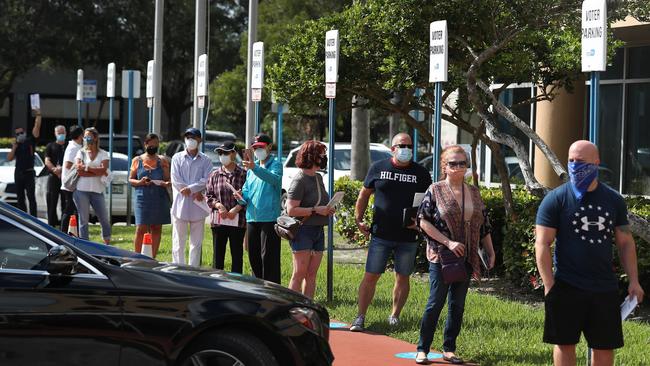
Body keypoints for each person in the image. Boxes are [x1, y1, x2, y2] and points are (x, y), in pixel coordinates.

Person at [535, 140, 644, 366]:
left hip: (604, 288)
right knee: (565, 344)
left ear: (596, 163)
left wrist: (634, 281)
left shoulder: (613, 200)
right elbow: (542, 244)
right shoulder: (555, 199)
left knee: (604, 347)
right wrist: (549, 286)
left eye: (581, 161)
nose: (575, 166)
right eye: (571, 161)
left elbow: (625, 243)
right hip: (566, 286)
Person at [414, 145, 495, 365]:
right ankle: (423, 348)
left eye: (462, 163)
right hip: (442, 256)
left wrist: (490, 250)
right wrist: (448, 242)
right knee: (435, 302)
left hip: (468, 256)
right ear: (445, 167)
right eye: (453, 163)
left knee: (457, 305)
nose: (458, 167)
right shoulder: (435, 189)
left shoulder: (474, 192)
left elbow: (484, 225)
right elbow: (423, 221)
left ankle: (449, 348)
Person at [349, 133, 432, 332]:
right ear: (393, 148)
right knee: (371, 275)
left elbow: (429, 202)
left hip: (408, 237)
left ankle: (394, 316)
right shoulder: (378, 168)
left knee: (402, 276)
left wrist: (421, 222)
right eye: (402, 145)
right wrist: (358, 219)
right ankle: (360, 317)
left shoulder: (421, 173)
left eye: (410, 145)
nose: (406, 149)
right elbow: (364, 194)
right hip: (381, 235)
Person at [285, 140, 335, 299]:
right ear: (312, 156)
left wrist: (328, 208)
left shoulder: (318, 177)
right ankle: (291, 307)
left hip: (318, 231)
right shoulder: (299, 180)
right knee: (299, 273)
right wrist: (315, 210)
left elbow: (321, 201)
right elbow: (291, 209)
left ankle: (308, 307)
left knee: (312, 275)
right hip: (303, 231)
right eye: (322, 155)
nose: (324, 158)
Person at [234, 133, 283, 284]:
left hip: (269, 219)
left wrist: (255, 168)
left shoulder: (276, 165)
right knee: (254, 257)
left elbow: (274, 179)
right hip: (252, 218)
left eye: (260, 147)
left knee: (269, 258)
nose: (257, 150)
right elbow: (247, 190)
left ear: (269, 147)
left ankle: (273, 291)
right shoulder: (251, 169)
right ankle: (259, 289)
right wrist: (241, 198)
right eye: (255, 148)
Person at [170, 128, 212, 267]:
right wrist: (186, 189)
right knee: (178, 242)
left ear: (200, 140)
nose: (190, 140)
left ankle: (193, 270)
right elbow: (175, 179)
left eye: (193, 137)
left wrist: (192, 189)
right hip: (180, 205)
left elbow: (207, 179)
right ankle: (178, 268)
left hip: (197, 205)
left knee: (196, 243)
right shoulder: (177, 158)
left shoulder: (206, 160)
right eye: (187, 137)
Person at [206, 141, 247, 273]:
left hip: (238, 221)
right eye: (220, 153)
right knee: (218, 256)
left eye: (225, 153)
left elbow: (248, 196)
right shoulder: (214, 175)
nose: (222, 155)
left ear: (234, 153)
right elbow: (209, 196)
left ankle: (236, 284)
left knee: (237, 256)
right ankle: (217, 284)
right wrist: (218, 206)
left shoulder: (244, 174)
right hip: (219, 221)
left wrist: (236, 210)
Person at [129, 133, 171, 257]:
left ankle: (152, 257)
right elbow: (131, 179)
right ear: (145, 144)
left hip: (159, 198)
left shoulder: (162, 161)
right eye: (151, 145)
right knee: (141, 227)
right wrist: (140, 182)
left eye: (156, 145)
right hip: (142, 197)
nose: (153, 147)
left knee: (156, 227)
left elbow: (168, 179)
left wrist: (166, 183)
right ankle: (137, 257)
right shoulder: (137, 160)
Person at [73, 127, 111, 243]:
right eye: (85, 136)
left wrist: (87, 168)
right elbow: (79, 171)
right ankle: (85, 244)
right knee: (83, 220)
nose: (86, 138)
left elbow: (103, 170)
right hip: (81, 190)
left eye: (89, 136)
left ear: (95, 138)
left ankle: (107, 242)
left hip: (97, 191)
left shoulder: (103, 153)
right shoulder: (81, 152)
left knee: (104, 219)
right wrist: (96, 171)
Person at [7, 109, 42, 216]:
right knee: (20, 198)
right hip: (18, 173)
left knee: (31, 197)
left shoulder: (30, 141)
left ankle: (34, 219)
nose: (20, 135)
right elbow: (9, 158)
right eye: (18, 134)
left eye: (21, 133)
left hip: (29, 173)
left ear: (25, 132)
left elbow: (36, 129)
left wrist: (38, 115)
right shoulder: (16, 145)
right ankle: (23, 218)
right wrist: (14, 147)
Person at [60, 125, 83, 234]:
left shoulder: (77, 146)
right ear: (80, 136)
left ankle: (72, 232)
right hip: (70, 184)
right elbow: (68, 164)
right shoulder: (73, 148)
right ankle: (63, 232)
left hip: (73, 185)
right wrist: (80, 166)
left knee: (72, 210)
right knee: (69, 209)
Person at [44, 124, 67, 226]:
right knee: (52, 202)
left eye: (63, 133)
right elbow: (47, 160)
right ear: (55, 134)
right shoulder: (50, 146)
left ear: (66, 133)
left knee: (65, 203)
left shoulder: (68, 146)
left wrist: (62, 170)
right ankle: (51, 225)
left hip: (66, 177)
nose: (61, 135)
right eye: (59, 133)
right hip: (53, 177)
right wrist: (54, 169)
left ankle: (64, 226)